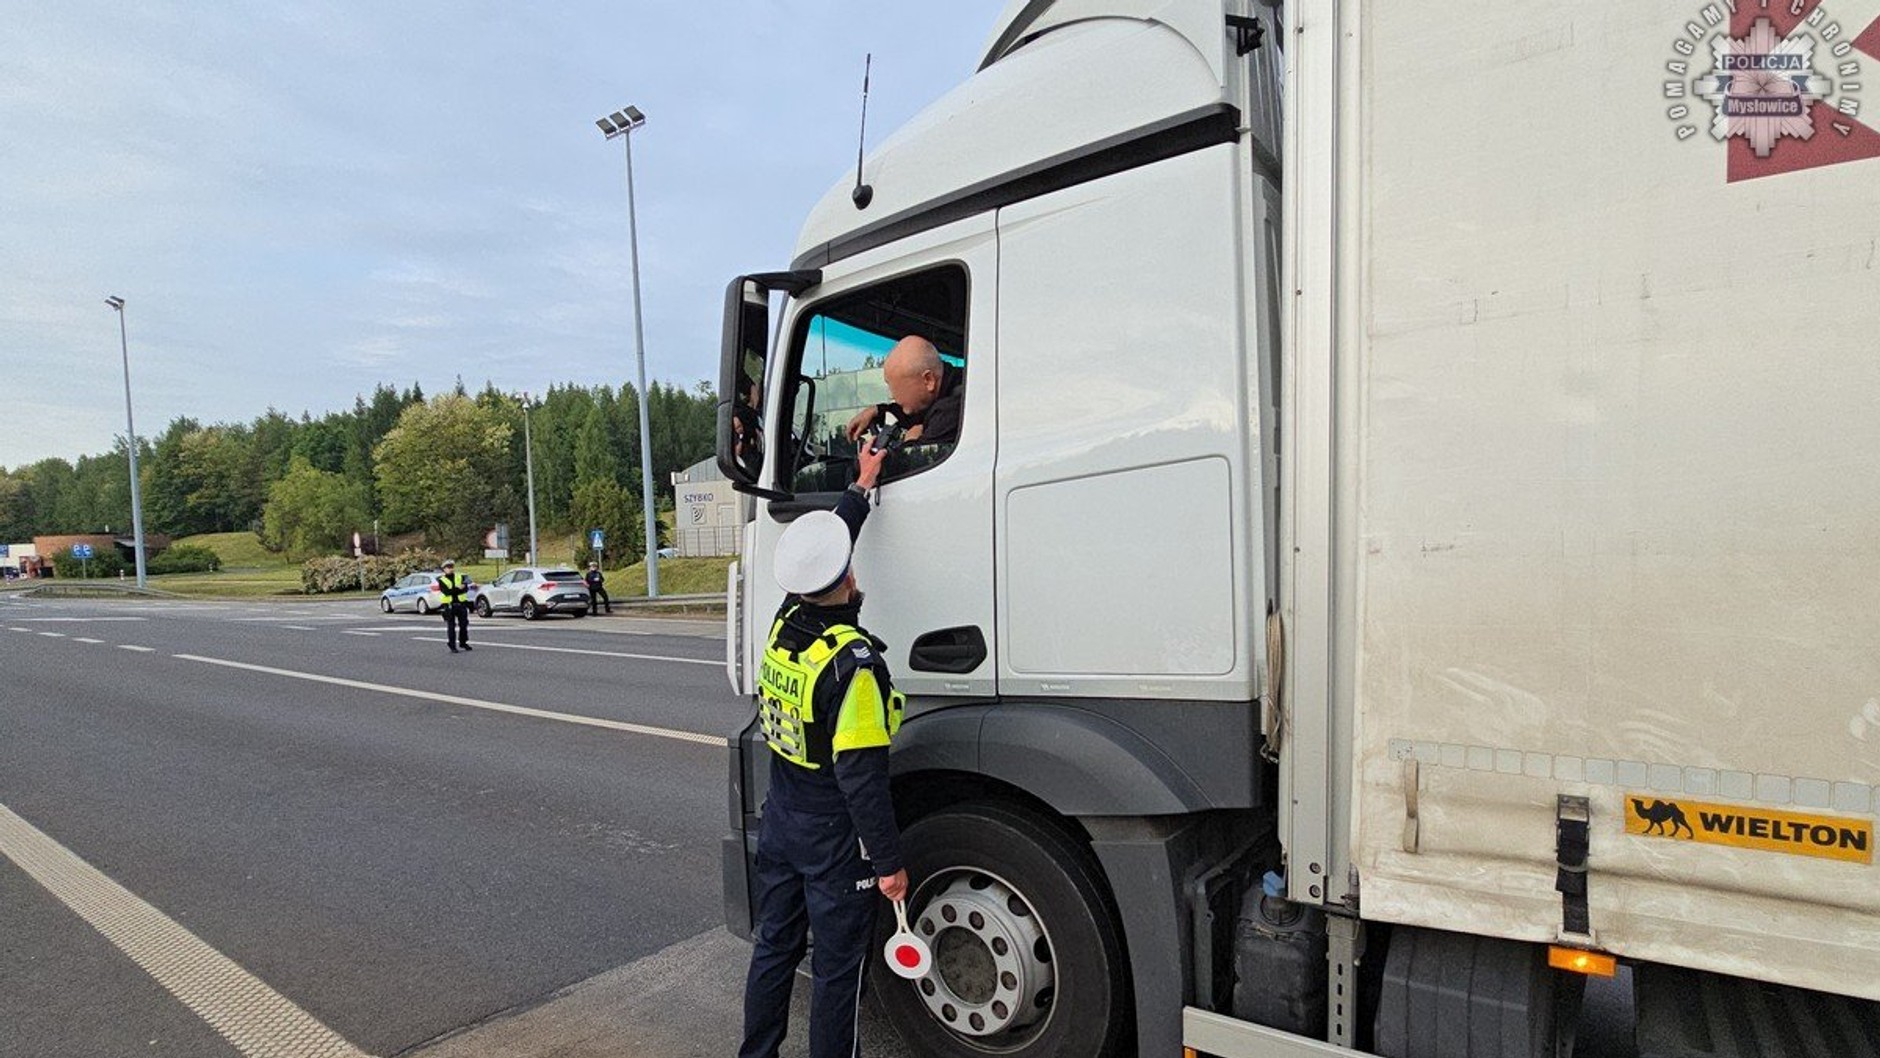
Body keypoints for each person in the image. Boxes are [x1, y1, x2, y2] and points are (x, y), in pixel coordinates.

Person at [740, 442, 906, 1058]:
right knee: (839, 974)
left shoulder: (785, 624)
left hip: (782, 818)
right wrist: (888, 863)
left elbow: (824, 554)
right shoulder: (852, 668)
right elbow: (862, 780)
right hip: (834, 837)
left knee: (775, 948)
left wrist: (860, 489)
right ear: (849, 577)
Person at [843, 335, 964, 448]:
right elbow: (914, 413)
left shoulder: (952, 409)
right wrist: (877, 411)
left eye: (897, 388)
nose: (892, 395)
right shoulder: (952, 387)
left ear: (928, 380)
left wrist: (910, 443)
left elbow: (922, 466)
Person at [434, 560, 473, 654]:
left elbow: (465, 589)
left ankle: (463, 642)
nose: (450, 569)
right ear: (444, 569)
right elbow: (446, 592)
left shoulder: (460, 577)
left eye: (451, 567)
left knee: (464, 625)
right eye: (448, 568)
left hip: (461, 604)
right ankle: (452, 645)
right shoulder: (441, 580)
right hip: (449, 606)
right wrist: (458, 588)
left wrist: (457, 589)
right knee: (451, 626)